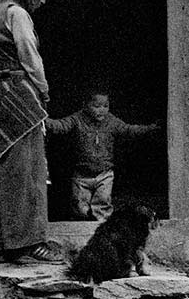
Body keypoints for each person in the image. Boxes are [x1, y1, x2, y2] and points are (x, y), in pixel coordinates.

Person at [0, 0, 63, 264]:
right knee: (27, 170)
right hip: (18, 94)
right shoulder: (18, 14)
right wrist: (43, 90)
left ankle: (3, 241)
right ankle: (26, 243)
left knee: (9, 169)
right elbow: (30, 57)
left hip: (0, 95)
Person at [45, 90, 161, 221]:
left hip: (104, 173)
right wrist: (45, 121)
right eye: (96, 106)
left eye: (105, 106)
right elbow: (61, 125)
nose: (102, 110)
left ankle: (102, 226)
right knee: (79, 206)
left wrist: (149, 128)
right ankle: (82, 226)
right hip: (81, 175)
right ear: (85, 105)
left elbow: (128, 129)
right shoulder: (77, 119)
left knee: (103, 202)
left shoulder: (111, 121)